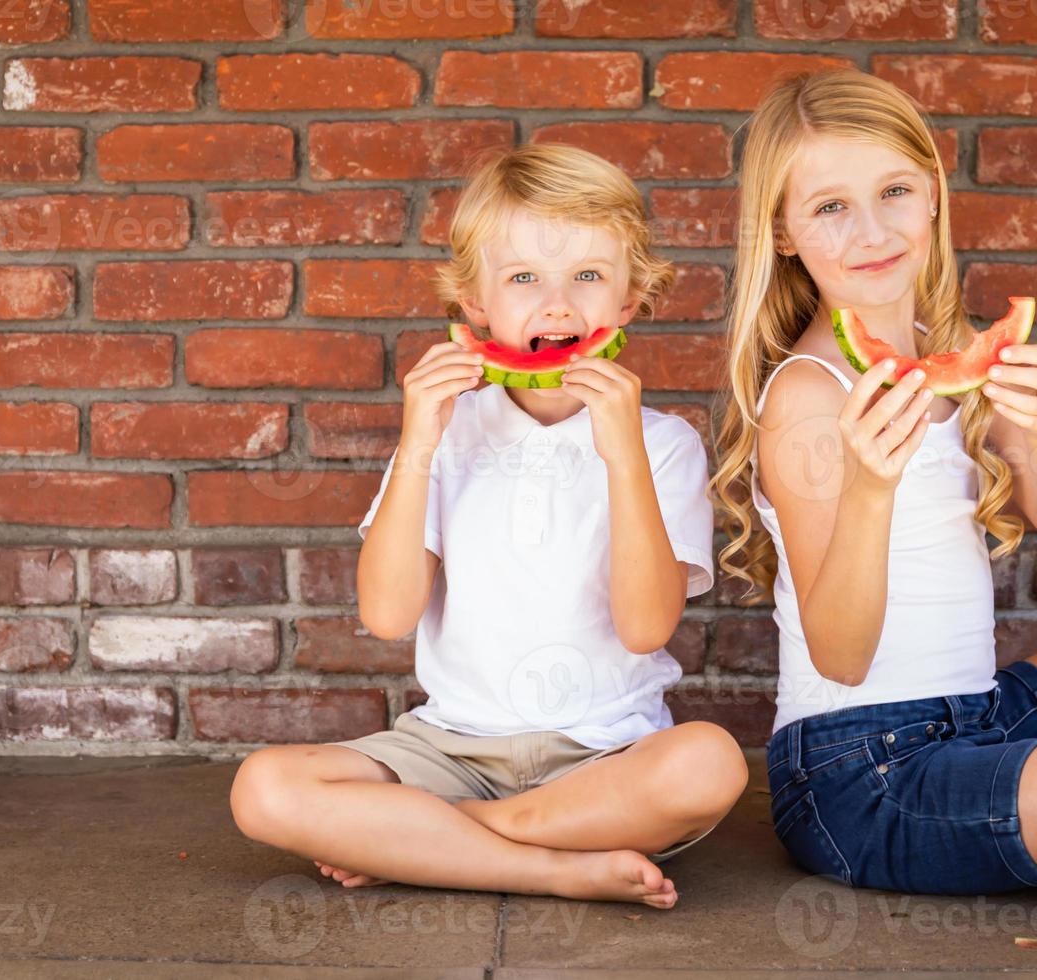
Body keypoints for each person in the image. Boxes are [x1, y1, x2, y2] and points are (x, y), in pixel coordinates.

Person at [710, 68, 1037, 897]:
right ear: (782, 233)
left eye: (894, 190)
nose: (872, 229)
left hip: (977, 719)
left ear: (932, 197)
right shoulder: (809, 397)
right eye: (829, 207)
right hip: (860, 773)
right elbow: (842, 656)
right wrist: (870, 491)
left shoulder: (954, 349)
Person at [230, 143, 748, 909]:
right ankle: (555, 865)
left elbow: (645, 628)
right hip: (449, 746)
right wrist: (419, 442)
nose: (558, 304)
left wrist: (622, 456)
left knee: (710, 763)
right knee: (263, 789)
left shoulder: (663, 444)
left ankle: (437, 838)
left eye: (588, 276)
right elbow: (386, 613)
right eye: (524, 278)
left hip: (607, 754)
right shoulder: (447, 432)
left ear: (629, 303)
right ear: (476, 305)